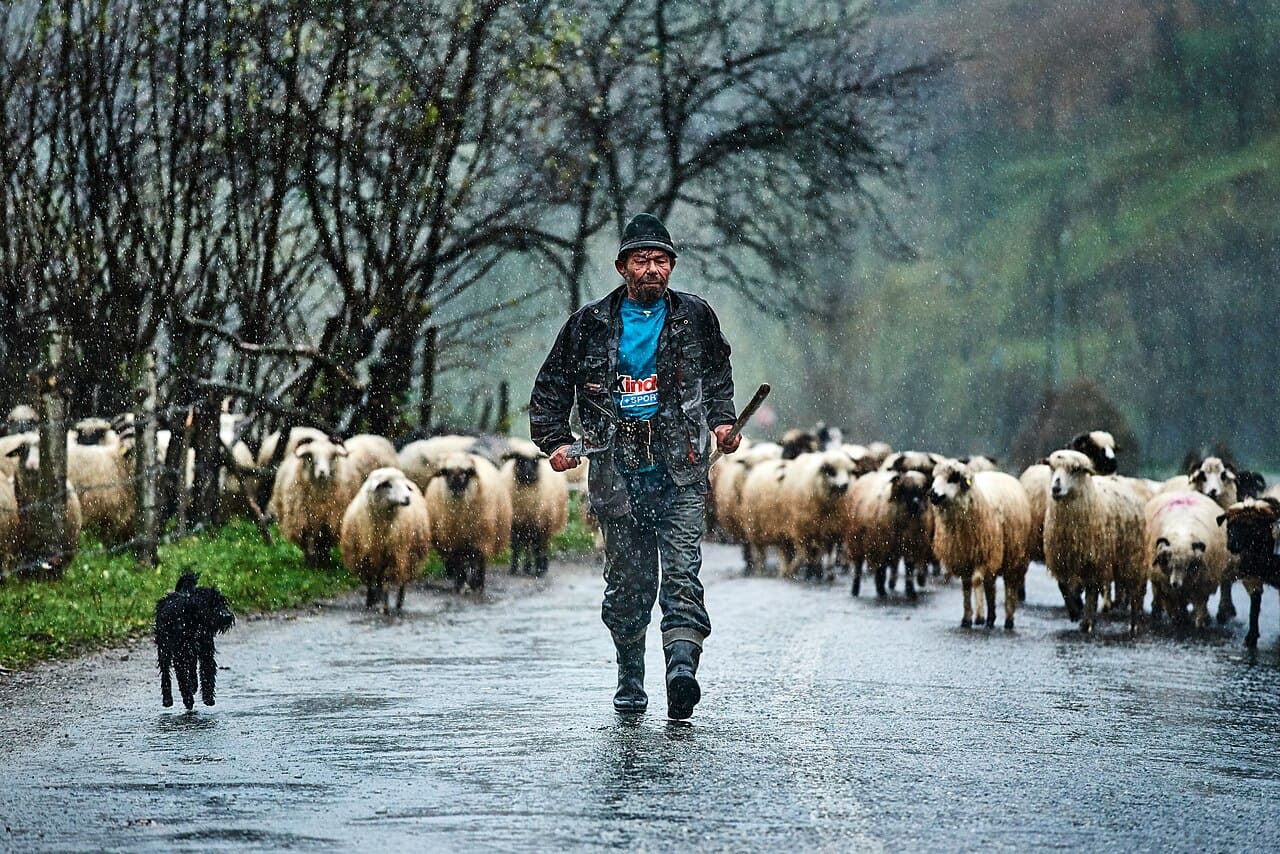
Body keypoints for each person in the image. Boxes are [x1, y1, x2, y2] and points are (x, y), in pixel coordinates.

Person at [529, 212, 740, 720]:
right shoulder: (589, 325)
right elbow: (552, 387)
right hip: (615, 471)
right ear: (622, 266)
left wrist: (723, 423)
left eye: (662, 260)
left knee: (683, 574)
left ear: (672, 266)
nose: (653, 269)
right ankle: (629, 676)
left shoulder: (696, 317)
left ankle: (681, 669)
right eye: (642, 260)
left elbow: (716, 375)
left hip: (681, 468)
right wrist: (555, 442)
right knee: (629, 584)